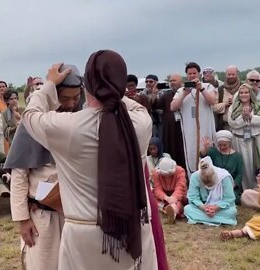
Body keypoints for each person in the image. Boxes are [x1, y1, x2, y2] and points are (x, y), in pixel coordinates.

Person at [22, 51, 164, 269]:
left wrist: (49, 85)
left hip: (84, 235)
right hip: (133, 229)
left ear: (87, 86)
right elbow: (136, 106)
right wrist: (112, 89)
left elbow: (30, 114)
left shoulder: (68, 127)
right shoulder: (140, 122)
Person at [6, 63, 83, 270]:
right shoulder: (33, 123)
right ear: (54, 95)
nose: (71, 103)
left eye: (76, 98)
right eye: (65, 98)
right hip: (43, 216)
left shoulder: (81, 120)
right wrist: (22, 220)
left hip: (76, 214)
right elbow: (19, 174)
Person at [170, 62, 217, 176]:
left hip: (205, 127)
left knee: (207, 151)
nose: (192, 75)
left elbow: (213, 101)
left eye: (194, 73)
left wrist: (201, 89)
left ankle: (210, 179)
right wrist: (184, 94)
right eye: (189, 73)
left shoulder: (208, 87)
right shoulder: (181, 90)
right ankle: (194, 180)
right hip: (189, 130)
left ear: (199, 74)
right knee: (191, 155)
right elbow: (173, 107)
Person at [228, 83, 260, 189]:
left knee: (257, 164)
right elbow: (232, 123)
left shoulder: (258, 105)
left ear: (250, 94)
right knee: (244, 165)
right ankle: (244, 189)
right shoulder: (233, 107)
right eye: (241, 93)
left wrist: (250, 117)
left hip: (255, 140)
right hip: (239, 140)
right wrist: (242, 117)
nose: (243, 95)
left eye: (246, 92)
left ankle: (259, 187)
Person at [184, 156, 237, 226]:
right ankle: (221, 220)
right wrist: (203, 207)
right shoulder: (195, 177)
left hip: (220, 209)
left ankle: (200, 219)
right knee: (187, 209)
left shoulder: (224, 177)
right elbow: (193, 197)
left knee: (232, 212)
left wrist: (216, 208)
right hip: (203, 208)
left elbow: (229, 199)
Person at [200, 130, 244, 205]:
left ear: (229, 143)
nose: (222, 147)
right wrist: (206, 148)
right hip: (213, 182)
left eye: (224, 145)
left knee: (233, 198)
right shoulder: (213, 152)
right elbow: (203, 156)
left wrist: (232, 185)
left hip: (229, 184)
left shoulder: (237, 156)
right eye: (220, 145)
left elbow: (239, 175)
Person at [157, 74, 186, 169]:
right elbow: (156, 106)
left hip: (183, 129)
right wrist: (153, 94)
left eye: (174, 80)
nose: (172, 82)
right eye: (171, 81)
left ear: (181, 82)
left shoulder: (186, 93)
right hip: (170, 130)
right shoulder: (166, 95)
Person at [151, 157, 187, 224]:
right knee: (153, 199)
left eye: (169, 175)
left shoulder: (180, 171)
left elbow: (180, 187)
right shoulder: (155, 173)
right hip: (163, 198)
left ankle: (173, 212)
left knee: (179, 203)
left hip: (177, 197)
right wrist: (166, 198)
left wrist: (174, 197)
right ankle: (166, 210)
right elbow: (157, 189)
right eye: (164, 175)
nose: (167, 177)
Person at [212, 65, 241, 131]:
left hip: (241, 126)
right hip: (225, 126)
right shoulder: (219, 90)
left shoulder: (243, 88)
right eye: (229, 74)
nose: (231, 76)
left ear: (237, 74)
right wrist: (225, 104)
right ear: (226, 75)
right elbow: (213, 107)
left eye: (233, 74)